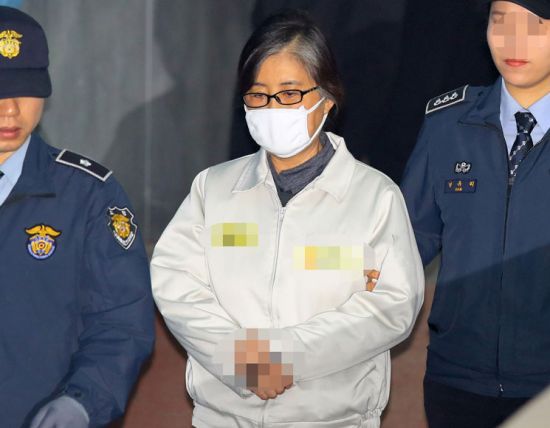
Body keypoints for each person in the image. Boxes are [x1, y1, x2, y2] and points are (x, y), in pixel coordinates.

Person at [152, 10, 424, 428]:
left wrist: (288, 356)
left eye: (290, 93)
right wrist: (241, 360)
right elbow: (176, 284)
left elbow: (392, 305)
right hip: (224, 417)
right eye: (258, 95)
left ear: (327, 98)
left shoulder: (374, 196)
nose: (273, 107)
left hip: (333, 420)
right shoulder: (214, 190)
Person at [0, 7, 154, 427]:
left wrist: (82, 402)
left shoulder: (88, 195)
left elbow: (121, 321)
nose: (10, 110)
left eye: (25, 89)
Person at [400, 1, 550, 426]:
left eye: (534, 25)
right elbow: (402, 244)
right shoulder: (448, 124)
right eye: (500, 22)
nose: (513, 41)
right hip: (457, 380)